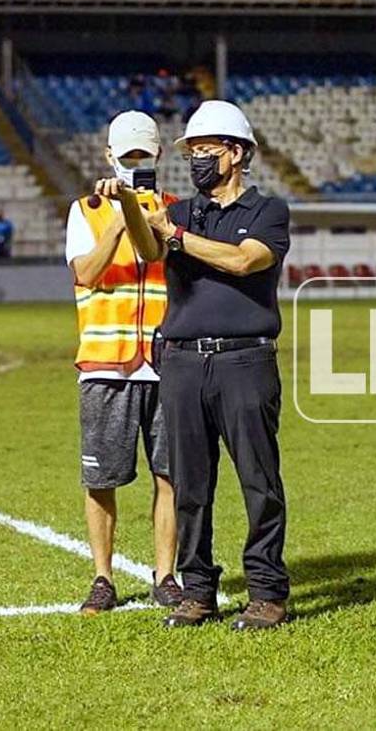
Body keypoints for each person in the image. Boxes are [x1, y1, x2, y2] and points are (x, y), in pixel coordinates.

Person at [103, 100, 292, 630]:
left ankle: (267, 592)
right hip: (183, 362)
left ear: (237, 153)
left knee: (259, 480)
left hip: (245, 360)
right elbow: (149, 251)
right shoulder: (182, 212)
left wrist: (177, 235)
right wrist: (130, 208)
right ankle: (198, 590)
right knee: (189, 484)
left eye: (207, 150)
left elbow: (245, 260)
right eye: (192, 153)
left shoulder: (267, 211)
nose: (198, 161)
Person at [65, 111, 183, 615]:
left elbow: (160, 258)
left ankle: (166, 576)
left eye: (144, 155)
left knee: (170, 475)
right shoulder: (85, 211)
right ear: (109, 156)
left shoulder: (175, 211)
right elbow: (86, 273)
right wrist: (118, 217)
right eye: (128, 155)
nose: (136, 164)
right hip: (105, 364)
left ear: (158, 157)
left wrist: (143, 213)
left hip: (165, 362)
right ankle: (102, 578)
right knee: (101, 479)